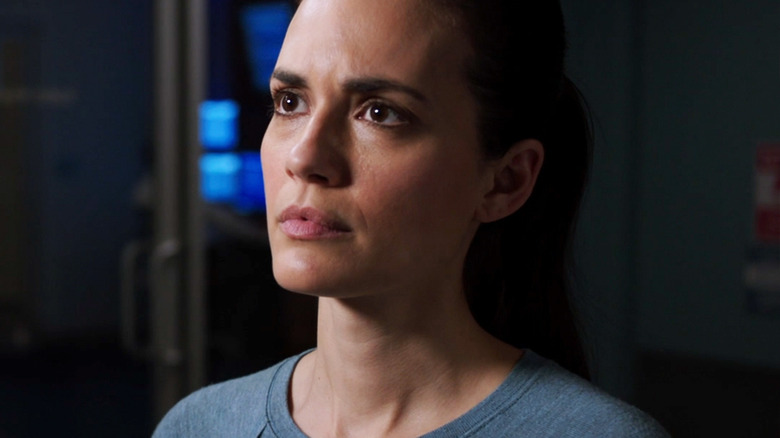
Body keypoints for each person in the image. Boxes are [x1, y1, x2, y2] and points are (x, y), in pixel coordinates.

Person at [154, 0, 670, 436]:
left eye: (380, 112)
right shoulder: (198, 426)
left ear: (505, 180)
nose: (305, 158)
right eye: (290, 102)